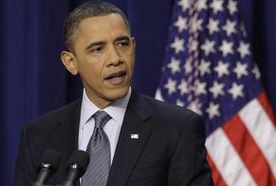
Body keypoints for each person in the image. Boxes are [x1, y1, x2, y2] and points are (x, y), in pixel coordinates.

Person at [14, 1, 213, 186]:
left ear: (133, 47)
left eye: (122, 44)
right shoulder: (37, 136)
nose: (115, 58)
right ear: (71, 62)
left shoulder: (177, 128)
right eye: (98, 49)